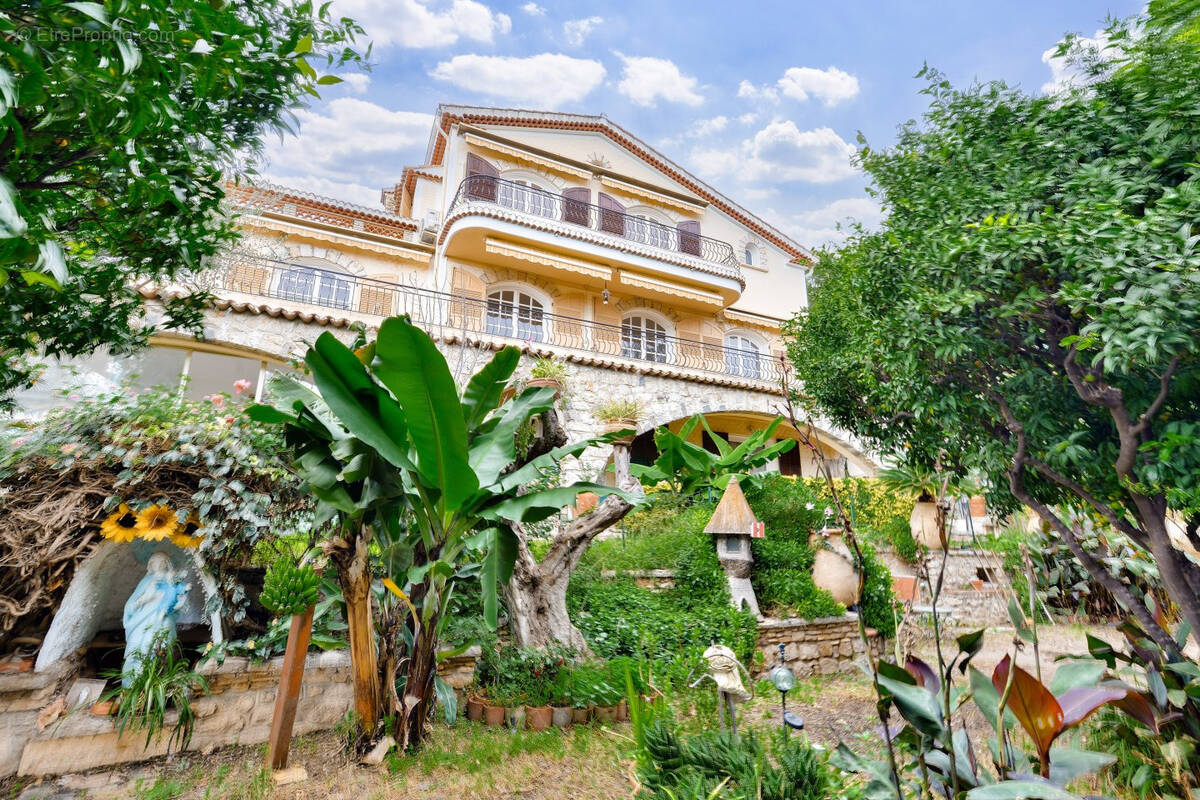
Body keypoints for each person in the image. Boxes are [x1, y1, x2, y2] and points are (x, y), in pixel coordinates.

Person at [121, 552, 189, 685]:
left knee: (160, 647)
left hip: (164, 618)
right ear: (150, 565)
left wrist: (175, 604)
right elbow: (131, 604)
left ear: (167, 563)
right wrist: (143, 600)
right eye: (155, 562)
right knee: (136, 647)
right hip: (142, 620)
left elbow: (180, 600)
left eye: (162, 561)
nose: (159, 564)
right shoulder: (146, 581)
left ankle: (159, 683)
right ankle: (134, 684)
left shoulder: (173, 579)